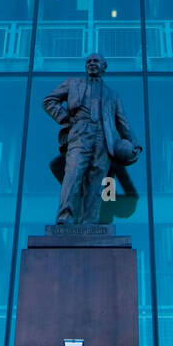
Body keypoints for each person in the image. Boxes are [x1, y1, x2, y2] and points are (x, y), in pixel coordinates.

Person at [42, 53, 140, 225]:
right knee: (73, 174)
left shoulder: (113, 94)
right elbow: (49, 100)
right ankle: (65, 217)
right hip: (80, 133)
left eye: (96, 61)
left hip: (103, 138)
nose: (92, 64)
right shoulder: (73, 83)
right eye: (89, 61)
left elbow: (122, 122)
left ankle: (89, 221)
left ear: (104, 66)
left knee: (96, 181)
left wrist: (134, 144)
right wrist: (65, 118)